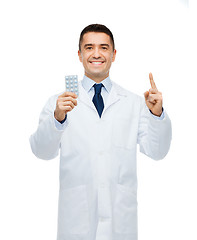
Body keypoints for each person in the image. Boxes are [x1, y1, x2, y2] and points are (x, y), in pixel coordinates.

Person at [30, 24, 172, 240]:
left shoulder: (134, 103)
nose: (96, 54)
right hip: (76, 220)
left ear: (114, 55)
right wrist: (58, 118)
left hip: (120, 220)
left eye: (104, 48)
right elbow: (41, 150)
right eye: (89, 48)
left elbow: (157, 151)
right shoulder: (60, 103)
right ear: (79, 54)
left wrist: (157, 114)